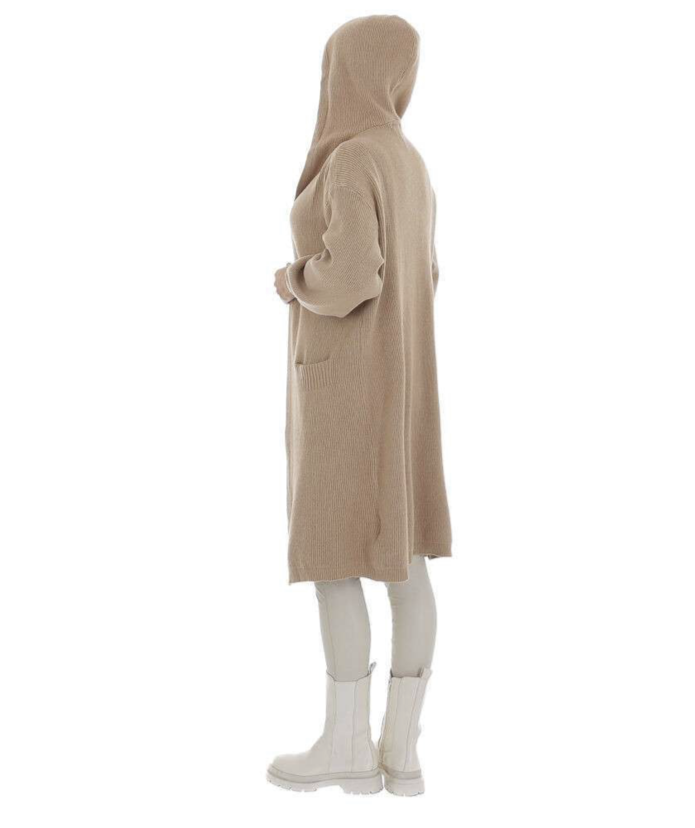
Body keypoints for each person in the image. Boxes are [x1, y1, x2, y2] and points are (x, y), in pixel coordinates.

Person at [267, 15, 452, 797]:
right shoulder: (410, 162)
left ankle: (345, 747)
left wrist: (293, 279)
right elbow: (426, 276)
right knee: (404, 562)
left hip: (347, 389)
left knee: (335, 559)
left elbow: (349, 279)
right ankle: (399, 753)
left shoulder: (348, 159)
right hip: (402, 386)